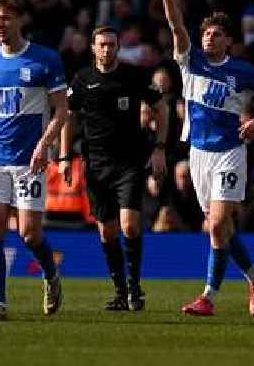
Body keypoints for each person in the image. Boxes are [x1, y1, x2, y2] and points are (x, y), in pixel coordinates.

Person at [154, 0, 254, 317]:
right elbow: (176, 26)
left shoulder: (243, 71)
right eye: (206, 33)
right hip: (199, 155)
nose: (209, 38)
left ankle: (207, 297)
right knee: (220, 228)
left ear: (228, 40)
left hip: (229, 153)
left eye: (216, 34)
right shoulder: (190, 61)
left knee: (217, 224)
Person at [0, 0, 67, 322]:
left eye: (6, 19)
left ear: (20, 20)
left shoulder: (45, 60)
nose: (0, 25)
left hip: (30, 159)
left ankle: (51, 275)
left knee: (29, 234)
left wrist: (44, 146)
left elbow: (61, 110)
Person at [59, 26, 168, 311]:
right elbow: (68, 118)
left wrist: (159, 147)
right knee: (107, 232)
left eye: (111, 44)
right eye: (102, 45)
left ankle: (134, 289)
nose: (107, 49)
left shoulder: (133, 75)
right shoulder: (83, 79)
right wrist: (63, 157)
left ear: (118, 47)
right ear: (93, 48)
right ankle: (120, 291)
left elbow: (162, 107)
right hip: (95, 165)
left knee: (130, 225)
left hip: (129, 163)